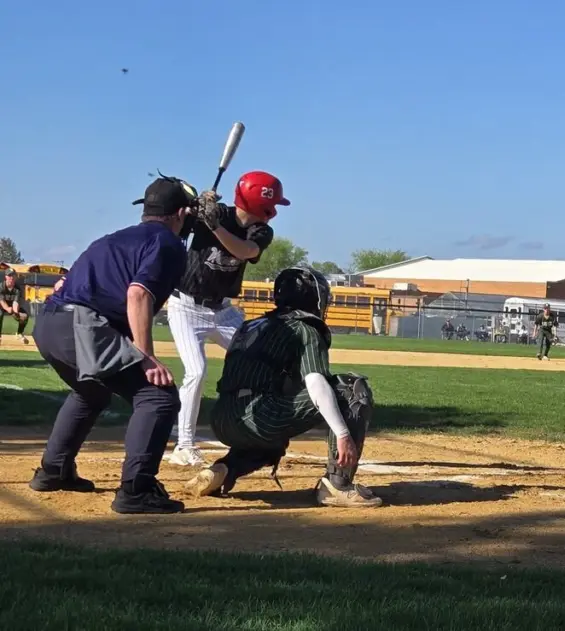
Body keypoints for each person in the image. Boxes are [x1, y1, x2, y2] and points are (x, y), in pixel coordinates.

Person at [28, 174, 195, 514]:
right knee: (157, 397)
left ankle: (53, 470)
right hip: (81, 325)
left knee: (92, 391)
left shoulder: (113, 239)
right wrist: (145, 356)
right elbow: (138, 294)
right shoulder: (167, 243)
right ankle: (137, 490)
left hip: (47, 324)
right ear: (180, 213)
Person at [184, 267, 382, 508]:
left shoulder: (250, 325)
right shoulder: (305, 328)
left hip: (222, 418)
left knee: (272, 443)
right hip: (260, 416)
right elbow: (315, 381)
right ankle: (338, 484)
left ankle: (224, 469)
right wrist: (342, 434)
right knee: (350, 388)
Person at [166, 171, 285, 467]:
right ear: (262, 203)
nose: (274, 213)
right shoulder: (216, 212)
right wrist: (196, 204)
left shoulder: (260, 232)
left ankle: (257, 428)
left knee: (261, 359)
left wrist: (215, 226)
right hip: (186, 307)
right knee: (196, 371)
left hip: (223, 312)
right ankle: (183, 445)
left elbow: (244, 251)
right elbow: (177, 220)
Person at [0, 269, 30, 344]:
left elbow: (16, 302)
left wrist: (16, 313)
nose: (11, 278)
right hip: (1, 306)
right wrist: (7, 308)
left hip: (12, 307)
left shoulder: (17, 288)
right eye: (9, 276)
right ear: (6, 277)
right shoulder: (1, 286)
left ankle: (19, 333)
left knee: (25, 316)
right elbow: (1, 301)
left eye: (13, 275)